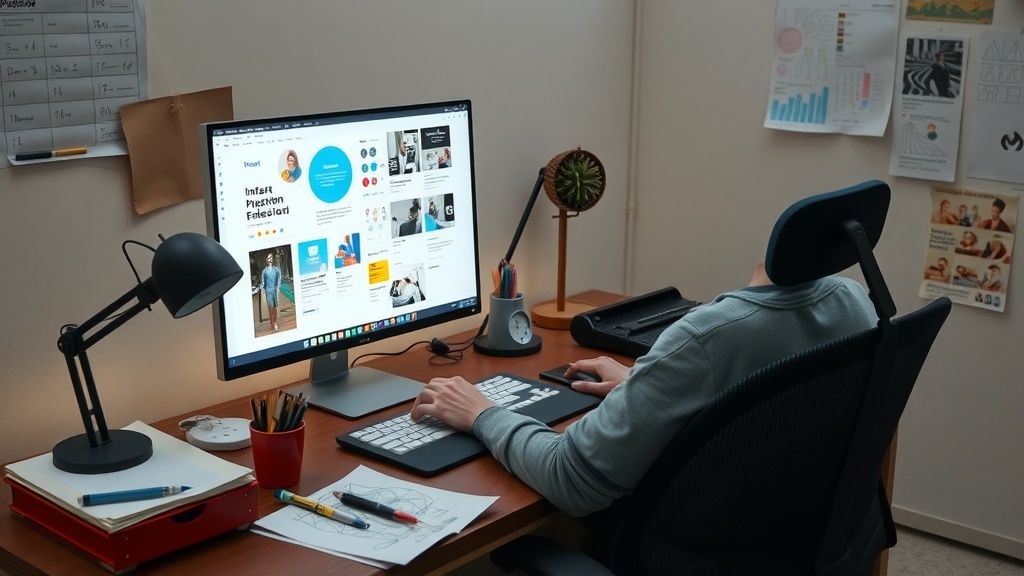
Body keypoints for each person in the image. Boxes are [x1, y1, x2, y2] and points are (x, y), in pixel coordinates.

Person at [409, 260, 877, 516]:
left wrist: (481, 413)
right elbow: (755, 402)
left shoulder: (710, 333)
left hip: (688, 553)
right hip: (790, 538)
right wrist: (649, 385)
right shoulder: (855, 303)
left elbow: (571, 480)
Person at [260, 252, 283, 332]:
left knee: (275, 308)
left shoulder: (276, 269)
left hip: (275, 290)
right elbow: (262, 281)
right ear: (266, 260)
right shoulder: (264, 271)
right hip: (268, 292)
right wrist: (262, 288)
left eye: (271, 257)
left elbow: (280, 277)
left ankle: (276, 323)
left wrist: (278, 286)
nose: (271, 259)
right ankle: (272, 324)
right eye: (269, 258)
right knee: (271, 308)